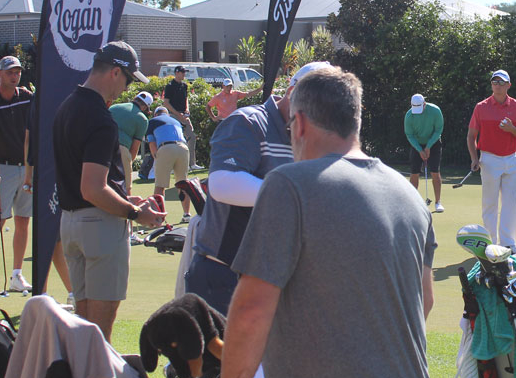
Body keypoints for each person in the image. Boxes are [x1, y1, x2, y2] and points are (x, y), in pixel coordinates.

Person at [221, 66, 436, 378]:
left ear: (301, 125)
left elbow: (251, 312)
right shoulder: (412, 197)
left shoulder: (288, 184)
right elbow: (425, 301)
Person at [186, 61, 330, 315]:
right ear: (290, 92)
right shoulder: (248, 122)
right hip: (224, 274)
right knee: (216, 356)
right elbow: (222, 183)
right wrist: (291, 196)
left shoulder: (312, 138)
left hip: (273, 277)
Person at [52, 41, 166, 340]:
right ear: (115, 72)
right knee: (99, 336)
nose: (126, 88)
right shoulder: (101, 118)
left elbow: (87, 181)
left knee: (83, 330)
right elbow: (92, 188)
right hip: (98, 227)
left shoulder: (66, 106)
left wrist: (125, 198)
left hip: (70, 223)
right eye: (128, 79)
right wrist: (134, 212)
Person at [0, 55, 70, 296]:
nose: (15, 75)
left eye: (17, 71)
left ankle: (17, 275)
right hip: (5, 168)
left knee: (23, 220)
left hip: (29, 168)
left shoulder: (28, 98)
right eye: (10, 71)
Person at [467, 70, 516, 252]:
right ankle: (490, 245)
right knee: (490, 203)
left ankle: (509, 243)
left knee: (511, 202)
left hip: (511, 159)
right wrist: (474, 158)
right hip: (489, 159)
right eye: (495, 82)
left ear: (508, 85)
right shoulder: (481, 107)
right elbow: (471, 136)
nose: (498, 85)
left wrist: (512, 129)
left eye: (502, 83)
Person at [146, 105, 191, 221]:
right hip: (183, 148)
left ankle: (159, 216)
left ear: (156, 114)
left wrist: (156, 157)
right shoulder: (176, 121)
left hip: (166, 148)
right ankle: (186, 214)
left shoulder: (152, 121)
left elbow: (152, 143)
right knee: (182, 183)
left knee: (160, 185)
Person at [404, 93, 445, 212]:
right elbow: (409, 135)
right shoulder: (409, 115)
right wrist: (419, 149)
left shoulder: (435, 111)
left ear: (424, 104)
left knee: (435, 172)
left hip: (434, 142)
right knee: (414, 173)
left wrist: (428, 146)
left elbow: (438, 130)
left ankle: (438, 202)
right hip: (417, 144)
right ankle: (412, 202)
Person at [109, 92, 151, 194]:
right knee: (125, 187)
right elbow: (135, 147)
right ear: (145, 107)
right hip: (121, 149)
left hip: (102, 145)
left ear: (135, 98)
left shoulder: (114, 107)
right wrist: (129, 162)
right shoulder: (143, 119)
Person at [162, 66, 199, 169]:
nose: (184, 74)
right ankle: (176, 166)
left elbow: (185, 98)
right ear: (177, 73)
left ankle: (192, 164)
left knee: (191, 136)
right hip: (174, 115)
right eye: (182, 72)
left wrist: (187, 109)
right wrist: (178, 114)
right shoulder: (170, 86)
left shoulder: (184, 85)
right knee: (176, 140)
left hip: (184, 115)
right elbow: (166, 103)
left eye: (184, 72)